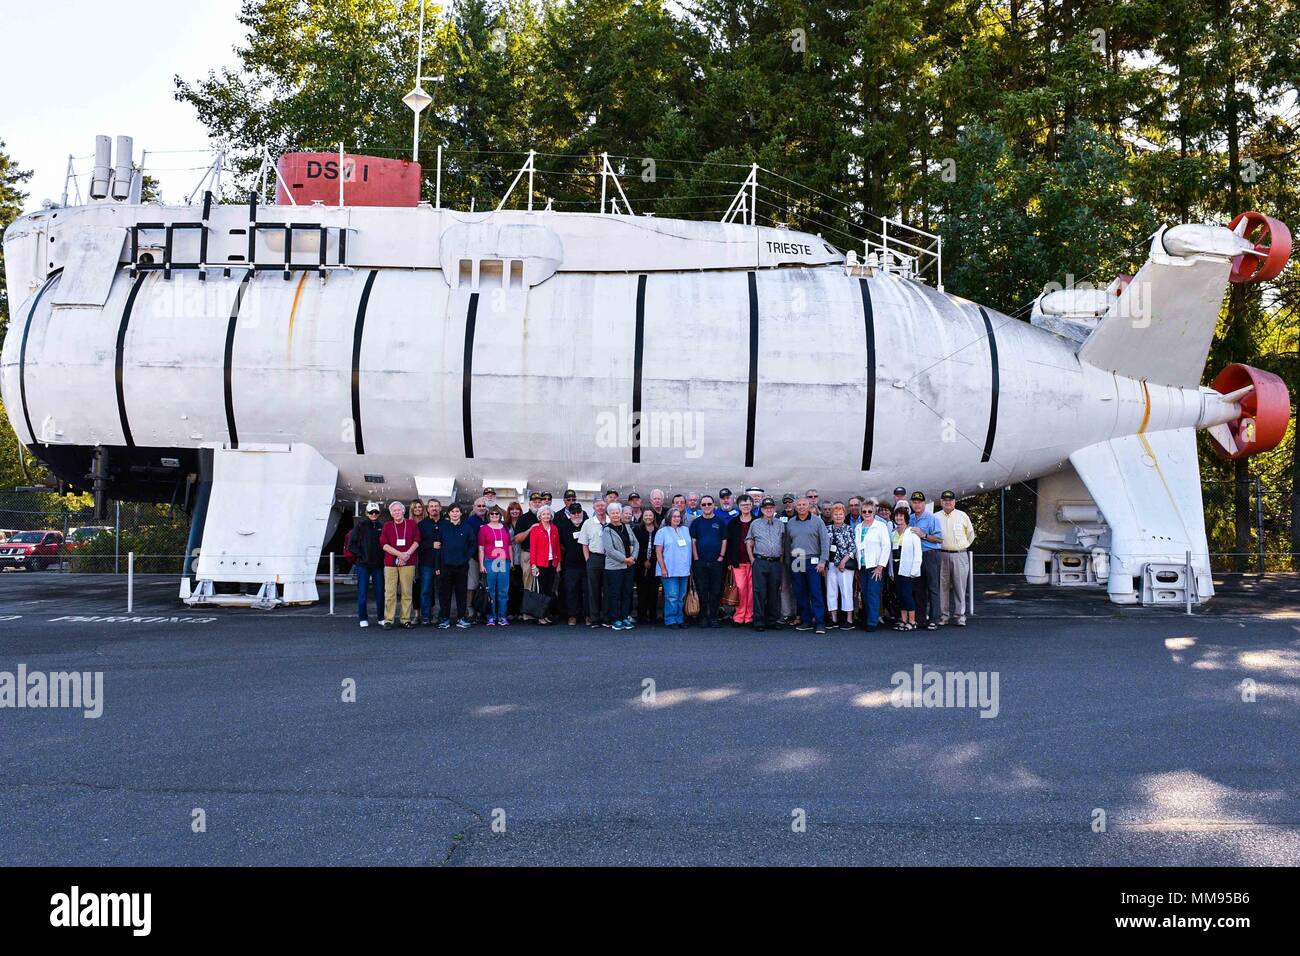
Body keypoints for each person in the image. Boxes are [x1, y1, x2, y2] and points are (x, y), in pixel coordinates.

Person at [787, 496, 829, 634]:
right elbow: (787, 544)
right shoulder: (791, 523)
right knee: (800, 592)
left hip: (813, 560)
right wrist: (789, 562)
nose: (801, 507)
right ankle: (806, 620)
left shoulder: (818, 522)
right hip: (797, 560)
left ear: (809, 505)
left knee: (816, 592)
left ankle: (820, 622)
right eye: (799, 505)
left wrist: (823, 561)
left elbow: (824, 542)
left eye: (804, 504)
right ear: (795, 507)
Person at [936, 490, 976, 627]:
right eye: (945, 500)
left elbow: (970, 534)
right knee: (943, 587)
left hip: (959, 555)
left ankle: (960, 616)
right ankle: (944, 616)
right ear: (941, 502)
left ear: (954, 501)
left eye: (950, 500)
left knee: (960, 586)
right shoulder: (935, 517)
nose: (948, 502)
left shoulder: (962, 516)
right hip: (941, 554)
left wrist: (962, 547)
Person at [746, 497, 786, 631]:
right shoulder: (755, 523)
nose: (768, 510)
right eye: (766, 508)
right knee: (759, 592)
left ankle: (772, 620)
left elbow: (784, 543)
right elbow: (749, 542)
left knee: (774, 591)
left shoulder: (780, 524)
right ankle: (759, 621)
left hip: (775, 562)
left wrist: (780, 560)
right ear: (762, 510)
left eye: (771, 508)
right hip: (760, 561)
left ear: (774, 509)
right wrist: (752, 560)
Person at [380, 500, 420, 630]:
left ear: (403, 511)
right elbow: (384, 545)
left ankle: (405, 619)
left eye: (399, 510)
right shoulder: (387, 526)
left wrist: (406, 554)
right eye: (394, 511)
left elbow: (417, 541)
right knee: (390, 593)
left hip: (408, 562)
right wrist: (400, 554)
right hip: (390, 564)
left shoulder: (411, 524)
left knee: (406, 592)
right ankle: (389, 619)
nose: (397, 512)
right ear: (391, 514)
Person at [689, 495, 728, 628]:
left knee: (716, 591)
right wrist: (696, 558)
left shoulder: (720, 522)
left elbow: (724, 540)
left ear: (714, 505)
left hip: (716, 562)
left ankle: (713, 617)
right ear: (700, 506)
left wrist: (721, 557)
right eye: (704, 504)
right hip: (700, 563)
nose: (706, 506)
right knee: (702, 590)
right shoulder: (696, 523)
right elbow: (693, 542)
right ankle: (703, 617)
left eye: (709, 504)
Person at [854, 499, 892, 631]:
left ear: (874, 512)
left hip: (875, 566)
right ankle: (867, 618)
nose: (867, 513)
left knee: (873, 594)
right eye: (864, 511)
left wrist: (880, 566)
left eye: (870, 511)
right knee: (864, 593)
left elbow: (886, 547)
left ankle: (872, 622)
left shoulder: (880, 526)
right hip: (862, 566)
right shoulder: (858, 527)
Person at [908, 491, 944, 629]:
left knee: (933, 588)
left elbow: (939, 538)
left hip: (930, 555)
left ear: (924, 503)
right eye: (914, 502)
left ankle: (935, 619)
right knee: (918, 588)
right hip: (916, 557)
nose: (917, 505)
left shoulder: (932, 518)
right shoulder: (910, 518)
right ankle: (920, 618)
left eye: (919, 502)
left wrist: (924, 535)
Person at [601, 503, 639, 629]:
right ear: (609, 515)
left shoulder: (627, 527)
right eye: (613, 513)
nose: (616, 515)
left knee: (627, 592)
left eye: (617, 512)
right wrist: (625, 559)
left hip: (629, 566)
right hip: (614, 567)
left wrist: (633, 557)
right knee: (615, 593)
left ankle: (624, 617)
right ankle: (615, 619)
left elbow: (636, 543)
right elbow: (609, 550)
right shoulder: (607, 529)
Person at [345, 503, 384, 627]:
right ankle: (363, 618)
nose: (373, 514)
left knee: (380, 592)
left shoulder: (382, 527)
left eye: (376, 512)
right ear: (367, 513)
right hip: (363, 565)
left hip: (378, 565)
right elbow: (351, 545)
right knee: (362, 592)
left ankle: (381, 617)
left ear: (379, 513)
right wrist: (361, 555)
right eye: (371, 512)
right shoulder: (360, 526)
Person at [437, 502, 475, 629]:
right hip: (445, 566)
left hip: (461, 566)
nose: (455, 514)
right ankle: (444, 619)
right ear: (449, 513)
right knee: (445, 594)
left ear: (461, 513)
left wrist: (465, 558)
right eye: (452, 511)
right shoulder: (443, 527)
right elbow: (438, 547)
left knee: (461, 594)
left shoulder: (467, 527)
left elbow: (472, 545)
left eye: (457, 511)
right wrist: (438, 566)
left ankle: (461, 618)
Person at [553, 495, 588, 625]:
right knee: (571, 590)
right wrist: (560, 563)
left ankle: (587, 615)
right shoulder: (563, 526)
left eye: (579, 512)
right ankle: (572, 615)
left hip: (586, 564)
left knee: (587, 590)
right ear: (570, 514)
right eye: (574, 512)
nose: (577, 514)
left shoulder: (587, 524)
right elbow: (558, 545)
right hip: (570, 565)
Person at [655, 507, 692, 629]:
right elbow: (658, 552)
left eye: (678, 516)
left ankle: (679, 618)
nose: (677, 518)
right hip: (669, 569)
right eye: (674, 516)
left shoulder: (686, 530)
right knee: (672, 596)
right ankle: (670, 619)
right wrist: (663, 568)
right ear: (669, 518)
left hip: (684, 569)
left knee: (681, 596)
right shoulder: (662, 532)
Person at [478, 505, 513, 626]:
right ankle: (491, 616)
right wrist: (481, 564)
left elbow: (509, 546)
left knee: (503, 590)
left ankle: (502, 616)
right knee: (491, 590)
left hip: (503, 561)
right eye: (492, 514)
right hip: (490, 561)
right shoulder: (484, 529)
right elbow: (481, 548)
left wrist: (511, 561)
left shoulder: (505, 528)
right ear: (489, 516)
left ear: (500, 516)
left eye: (496, 514)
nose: (494, 516)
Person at [528, 505, 562, 625]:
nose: (546, 516)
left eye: (548, 514)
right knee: (540, 591)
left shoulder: (554, 528)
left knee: (549, 591)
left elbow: (557, 546)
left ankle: (546, 614)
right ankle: (540, 616)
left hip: (552, 562)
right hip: (540, 563)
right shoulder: (535, 529)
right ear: (540, 516)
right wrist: (533, 565)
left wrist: (558, 562)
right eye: (544, 514)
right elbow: (533, 548)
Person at [725, 492, 755, 626]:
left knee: (752, 589)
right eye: (743, 505)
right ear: (738, 506)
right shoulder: (733, 523)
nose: (746, 507)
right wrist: (730, 561)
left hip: (754, 561)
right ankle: (739, 615)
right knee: (741, 589)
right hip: (738, 562)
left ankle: (749, 616)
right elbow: (729, 543)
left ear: (752, 505)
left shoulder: (757, 521)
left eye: (748, 504)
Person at [892, 504, 923, 631]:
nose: (899, 518)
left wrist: (915, 570)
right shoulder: (893, 533)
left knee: (907, 594)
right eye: (897, 515)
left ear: (906, 518)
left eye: (901, 516)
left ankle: (912, 621)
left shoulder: (912, 533)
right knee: (900, 594)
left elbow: (918, 553)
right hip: (895, 566)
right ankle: (903, 620)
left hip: (907, 568)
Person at [826, 502, 856, 629]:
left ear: (844, 516)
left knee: (846, 591)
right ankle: (834, 619)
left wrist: (844, 561)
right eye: (835, 514)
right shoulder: (827, 529)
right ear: (832, 516)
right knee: (831, 591)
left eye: (840, 514)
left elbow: (853, 547)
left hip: (845, 565)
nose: (838, 516)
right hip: (831, 564)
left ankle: (849, 619)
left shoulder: (849, 529)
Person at [580, 499, 608, 627]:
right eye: (598, 506)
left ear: (606, 506)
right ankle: (595, 618)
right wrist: (588, 560)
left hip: (610, 559)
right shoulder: (588, 523)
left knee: (608, 589)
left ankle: (607, 618)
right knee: (593, 589)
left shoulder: (611, 521)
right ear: (594, 507)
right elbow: (584, 544)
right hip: (594, 558)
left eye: (602, 505)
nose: (600, 508)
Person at [513, 492, 542, 611]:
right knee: (528, 584)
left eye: (539, 502)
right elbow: (517, 539)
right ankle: (527, 613)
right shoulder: (523, 519)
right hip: (528, 554)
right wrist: (530, 529)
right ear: (530, 503)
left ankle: (540, 611)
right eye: (534, 502)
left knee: (541, 584)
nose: (537, 504)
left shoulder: (547, 517)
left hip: (543, 555)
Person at [633, 508, 660, 625]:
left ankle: (653, 616)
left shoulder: (658, 530)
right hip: (640, 565)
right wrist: (643, 560)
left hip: (654, 565)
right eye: (646, 515)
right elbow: (635, 547)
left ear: (653, 517)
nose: (648, 517)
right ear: (642, 517)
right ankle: (641, 616)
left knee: (653, 592)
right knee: (642, 591)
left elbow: (660, 548)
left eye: (650, 515)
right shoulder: (637, 529)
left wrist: (652, 560)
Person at [417, 498, 441, 626]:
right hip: (427, 563)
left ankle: (440, 616)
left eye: (436, 506)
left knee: (441, 591)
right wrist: (431, 544)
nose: (434, 508)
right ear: (428, 509)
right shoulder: (422, 525)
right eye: (431, 506)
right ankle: (425, 616)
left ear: (440, 508)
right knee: (426, 590)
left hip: (442, 563)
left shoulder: (446, 524)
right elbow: (417, 543)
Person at [465, 497, 488, 616]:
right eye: (479, 506)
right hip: (474, 558)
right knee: (472, 584)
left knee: (485, 584)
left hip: (488, 558)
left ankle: (482, 608)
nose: (481, 508)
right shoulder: (470, 522)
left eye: (483, 506)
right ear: (474, 507)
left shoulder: (489, 520)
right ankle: (470, 608)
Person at [505, 500, 524, 619]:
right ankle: (511, 611)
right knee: (510, 586)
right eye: (512, 509)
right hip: (509, 558)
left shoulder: (523, 523)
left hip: (521, 557)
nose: (514, 511)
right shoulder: (505, 525)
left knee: (521, 586)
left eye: (517, 509)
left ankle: (521, 611)